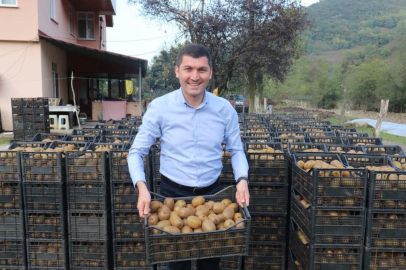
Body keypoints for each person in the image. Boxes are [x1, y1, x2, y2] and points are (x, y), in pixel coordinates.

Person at [127, 43, 249, 270]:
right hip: (172, 196)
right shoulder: (160, 108)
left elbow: (237, 149)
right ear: (177, 71)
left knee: (210, 262)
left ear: (210, 73)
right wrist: (142, 187)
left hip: (214, 196)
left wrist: (242, 179)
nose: (195, 76)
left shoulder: (225, 109)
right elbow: (136, 152)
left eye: (201, 70)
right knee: (177, 263)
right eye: (188, 69)